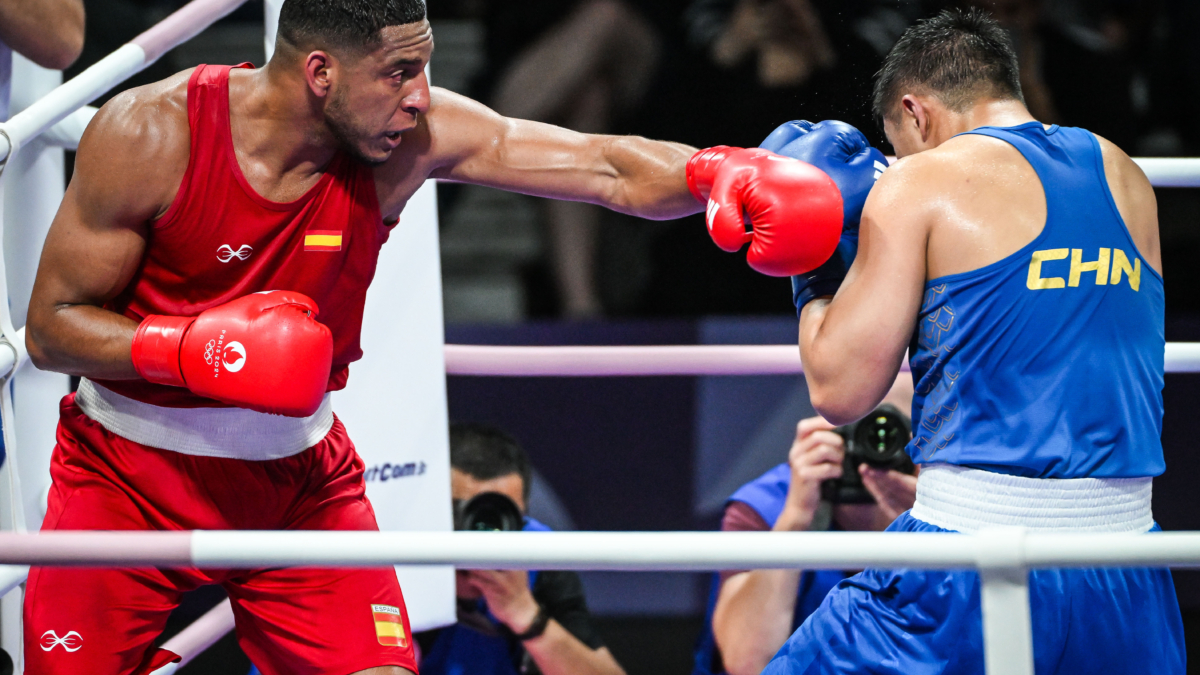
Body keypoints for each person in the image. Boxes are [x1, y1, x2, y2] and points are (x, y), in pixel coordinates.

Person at [20, 0, 843, 671]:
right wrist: (195, 350)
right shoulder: (152, 134)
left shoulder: (408, 137)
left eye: (424, 65)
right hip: (127, 477)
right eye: (399, 72)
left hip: (299, 484)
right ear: (319, 73)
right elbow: (53, 326)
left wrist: (714, 173)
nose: (421, 94)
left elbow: (601, 165)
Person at [766, 8, 1184, 674]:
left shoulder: (919, 182)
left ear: (916, 112)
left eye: (896, 145)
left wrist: (812, 266)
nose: (895, 166)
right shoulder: (1123, 172)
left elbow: (840, 390)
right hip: (1128, 565)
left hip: (968, 559)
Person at [693, 376, 916, 675]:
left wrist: (922, 530)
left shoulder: (944, 508)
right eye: (859, 429)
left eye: (891, 434)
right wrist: (796, 518)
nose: (874, 448)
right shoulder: (766, 506)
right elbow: (747, 663)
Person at [417, 423, 624, 675]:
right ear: (431, 511)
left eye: (498, 513)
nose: (480, 533)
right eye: (462, 513)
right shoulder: (393, 552)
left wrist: (526, 615)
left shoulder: (539, 554)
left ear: (522, 515)